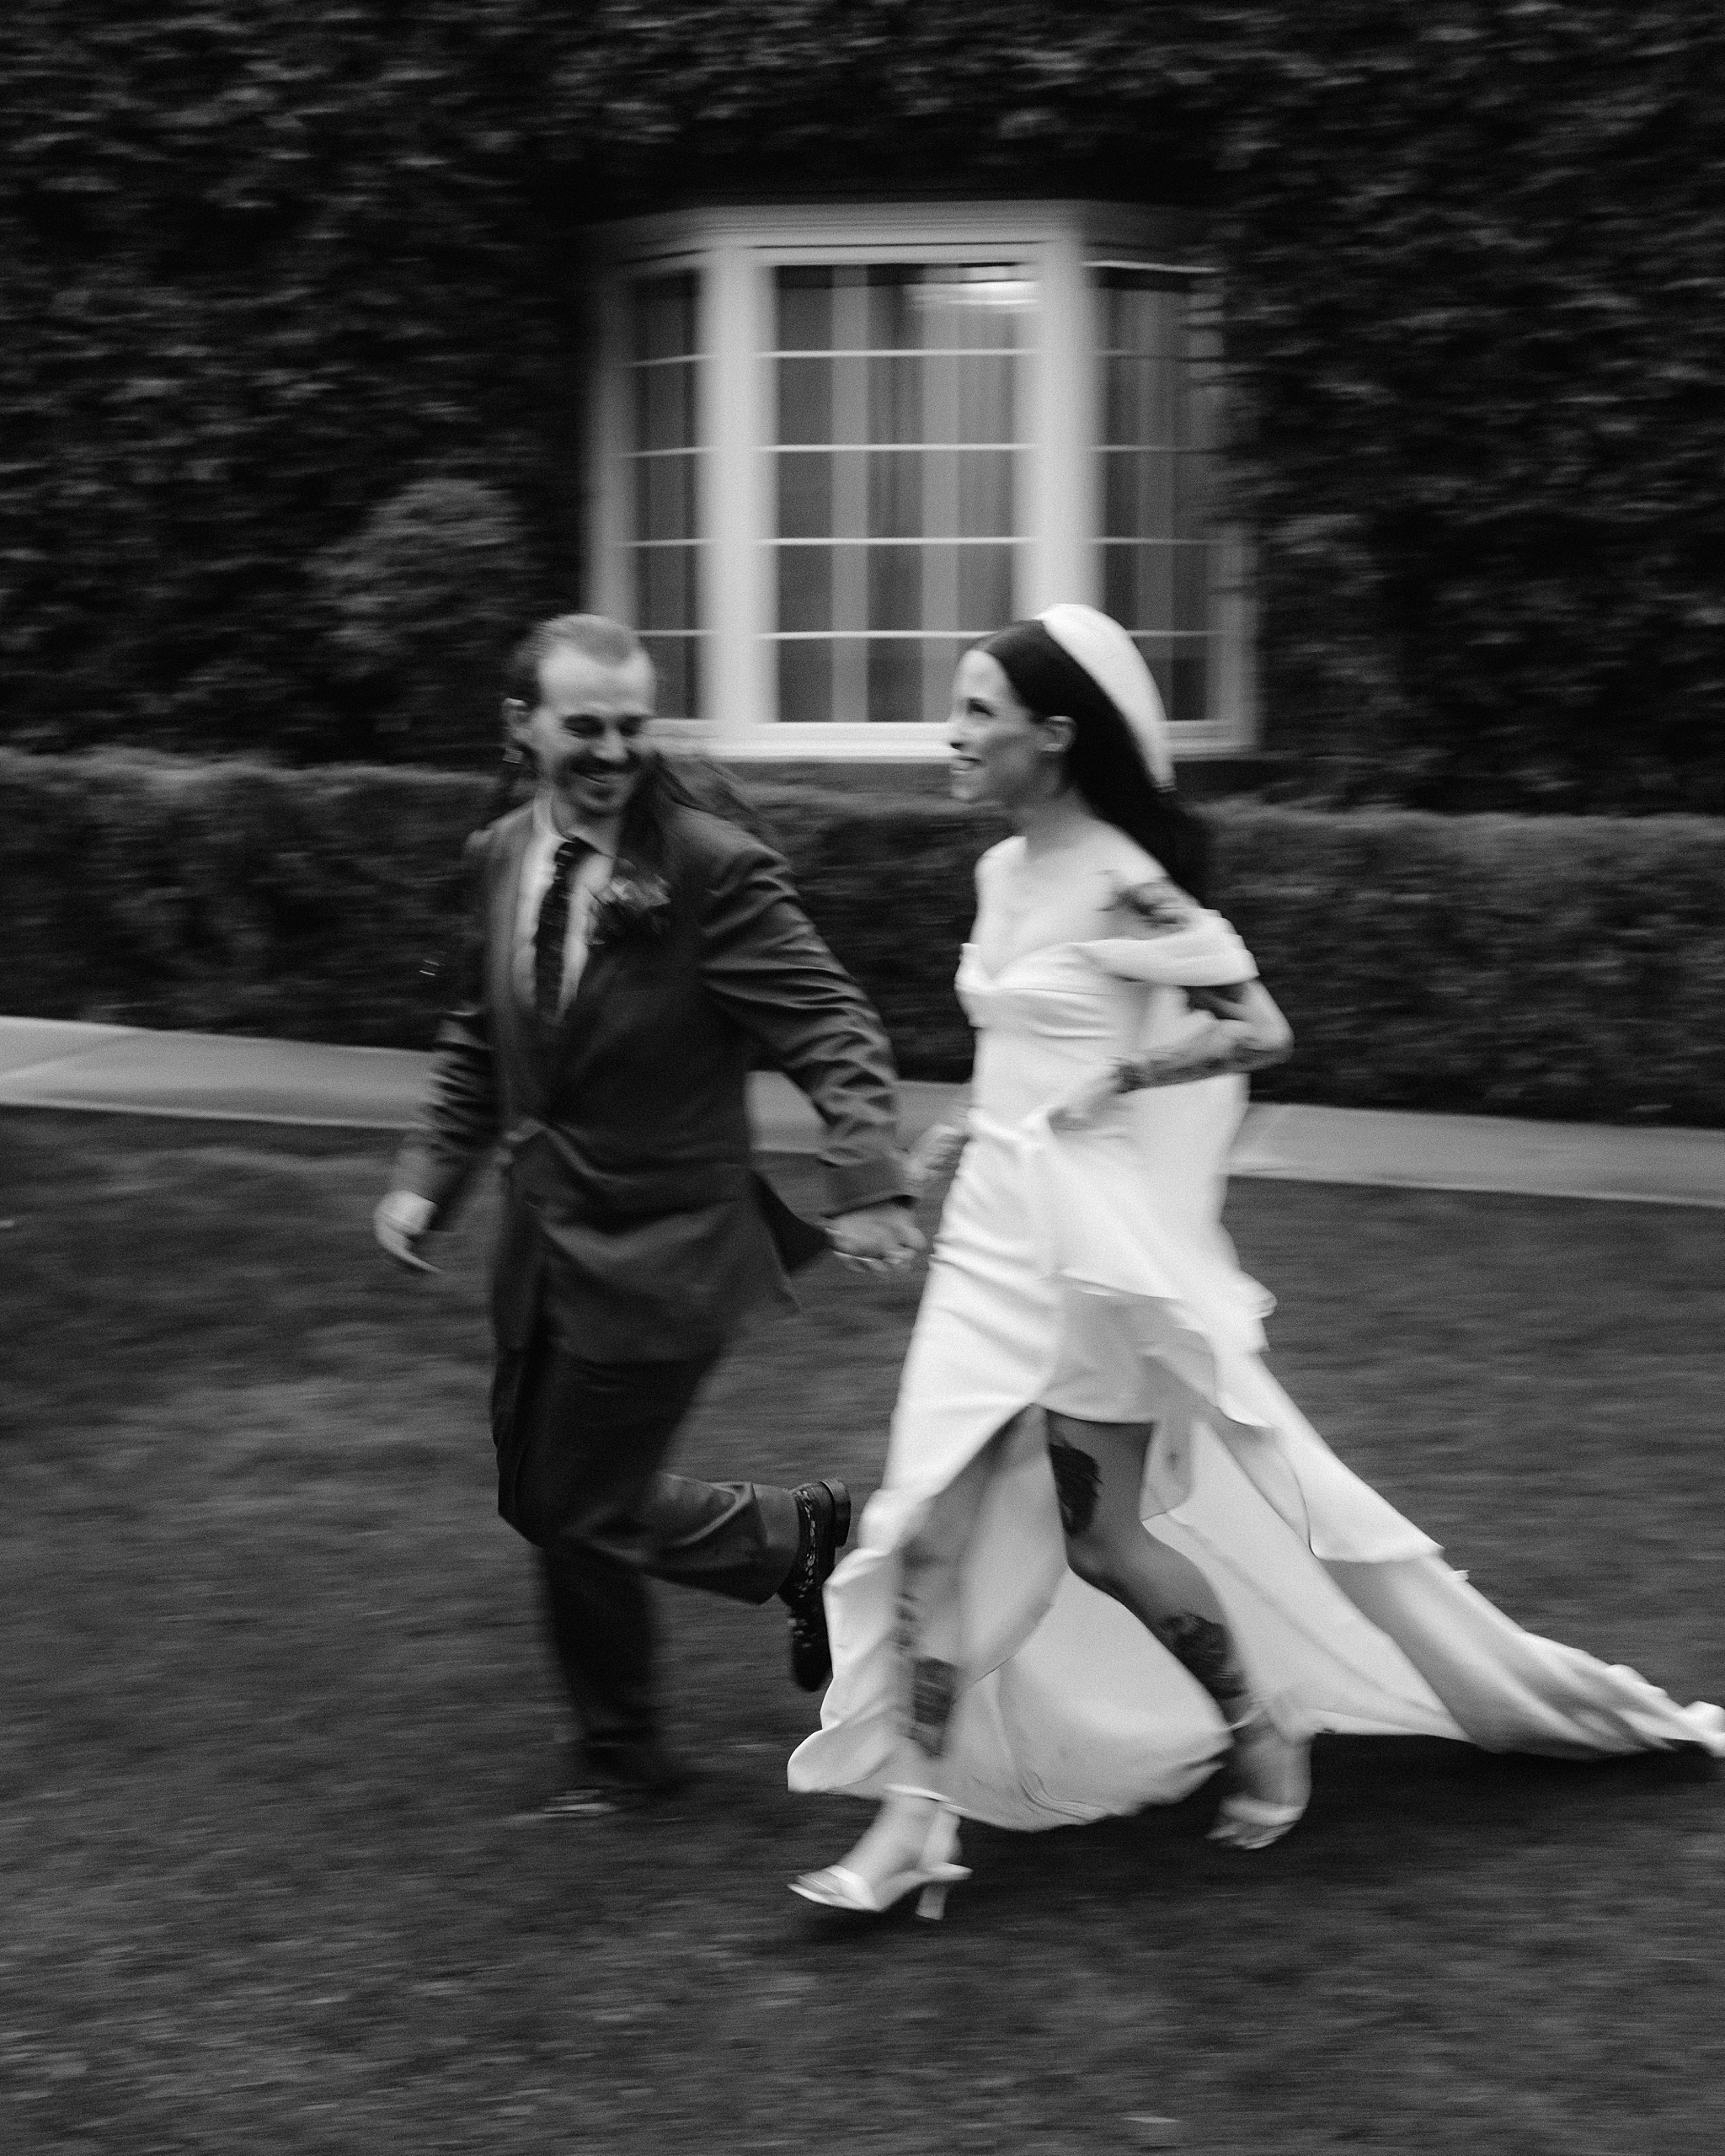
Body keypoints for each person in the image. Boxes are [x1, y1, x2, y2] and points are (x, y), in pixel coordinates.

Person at [788, 602, 1724, 1916]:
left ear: (1053, 739)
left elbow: (1256, 1023)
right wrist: (958, 1131)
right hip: (989, 1236)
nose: (950, 731)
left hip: (1089, 1254)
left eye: (978, 710)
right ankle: (915, 1822)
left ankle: (1258, 1722)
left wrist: (1122, 1067)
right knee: (931, 1521)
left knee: (1102, 1538)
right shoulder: (1002, 873)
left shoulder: (1127, 874)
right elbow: (1016, 1038)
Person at [375, 611, 924, 1818]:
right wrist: (430, 1174)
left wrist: (870, 1181)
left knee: (577, 1512)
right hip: (540, 1242)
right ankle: (797, 1543)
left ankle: (626, 1765)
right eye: (587, 725)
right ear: (522, 727)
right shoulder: (504, 850)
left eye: (633, 724)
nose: (615, 748)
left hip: (669, 1252)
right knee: (544, 1501)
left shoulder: (711, 867)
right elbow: (485, 1030)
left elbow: (832, 1026)